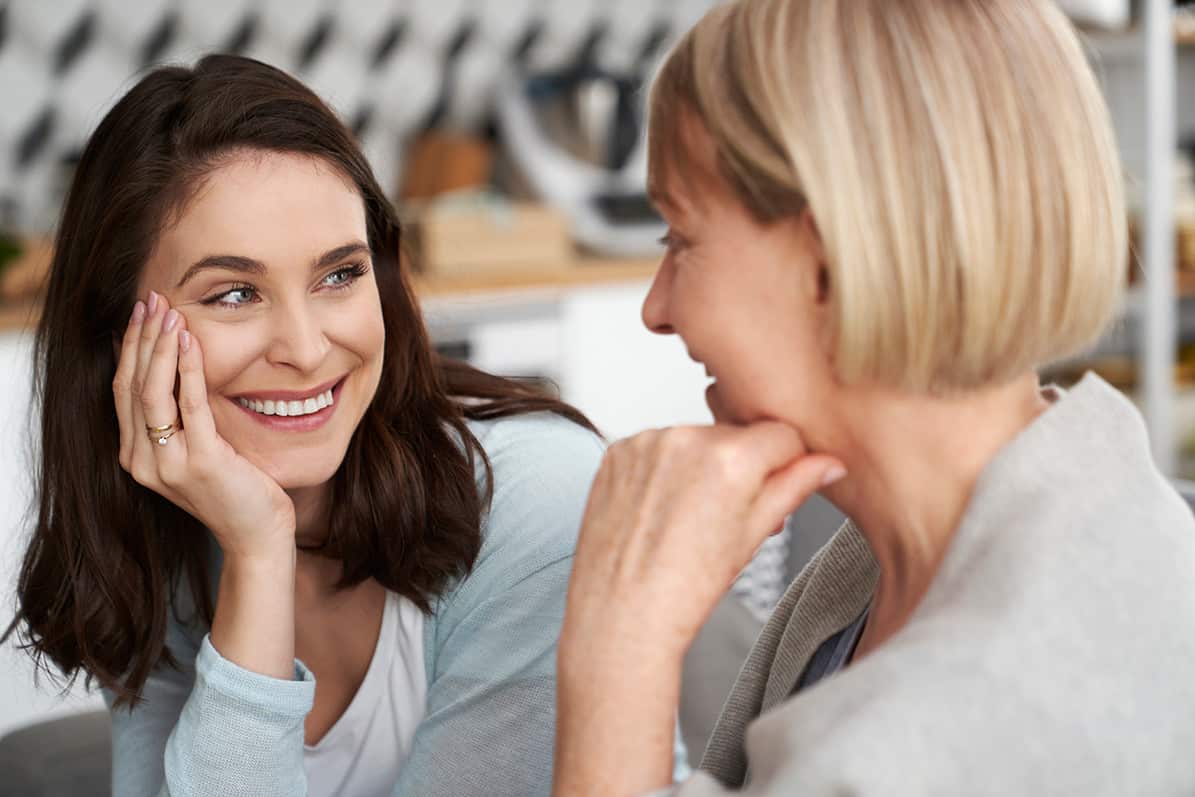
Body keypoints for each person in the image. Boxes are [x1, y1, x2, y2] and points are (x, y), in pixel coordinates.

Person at [552, 1, 1195, 795]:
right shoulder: (909, 547)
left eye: (680, 240)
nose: (657, 308)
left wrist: (617, 647)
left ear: (830, 263)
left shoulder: (946, 735)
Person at [2, 54, 631, 797]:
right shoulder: (173, 519)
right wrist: (258, 553)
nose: (305, 349)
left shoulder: (537, 503)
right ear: (120, 340)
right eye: (234, 293)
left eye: (339, 275)